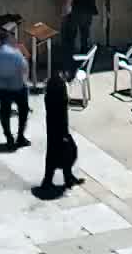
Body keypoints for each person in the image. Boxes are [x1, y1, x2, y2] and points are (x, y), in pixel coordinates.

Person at [36, 60, 80, 193]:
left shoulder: (53, 82)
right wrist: (64, 132)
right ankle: (51, 180)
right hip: (58, 125)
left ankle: (64, 177)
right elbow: (60, 109)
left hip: (54, 124)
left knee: (59, 152)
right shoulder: (58, 85)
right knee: (63, 151)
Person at [0, 30, 31, 148]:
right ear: (8, 40)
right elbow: (24, 68)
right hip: (17, 86)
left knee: (4, 112)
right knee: (23, 110)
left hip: (3, 89)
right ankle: (20, 136)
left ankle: (9, 137)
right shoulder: (16, 53)